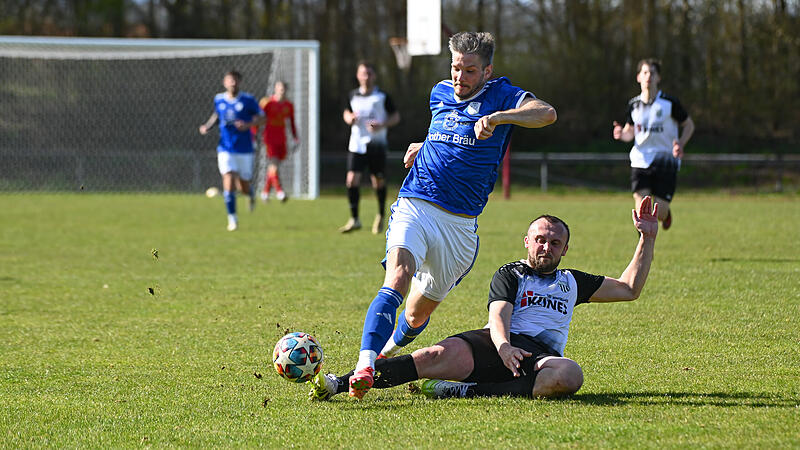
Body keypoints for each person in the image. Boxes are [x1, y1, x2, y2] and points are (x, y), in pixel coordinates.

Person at [346, 31, 558, 399]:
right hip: (417, 202)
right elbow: (444, 130)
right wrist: (423, 144)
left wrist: (499, 117)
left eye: (470, 71)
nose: (460, 77)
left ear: (488, 71)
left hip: (459, 227)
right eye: (456, 68)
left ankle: (387, 352)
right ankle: (366, 363)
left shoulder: (503, 95)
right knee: (397, 276)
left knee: (415, 314)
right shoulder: (440, 91)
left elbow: (547, 113)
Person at [310, 197, 659, 400]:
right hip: (492, 344)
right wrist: (504, 346)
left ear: (565, 249)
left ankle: (463, 391)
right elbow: (498, 314)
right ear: (527, 241)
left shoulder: (572, 282)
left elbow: (629, 289)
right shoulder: (511, 273)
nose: (545, 247)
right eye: (540, 239)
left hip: (536, 358)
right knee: (429, 355)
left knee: (569, 375)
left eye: (554, 243)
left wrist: (647, 238)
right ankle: (339, 383)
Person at [612, 58, 695, 230]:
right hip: (640, 159)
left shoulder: (669, 103)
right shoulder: (633, 105)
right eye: (645, 72)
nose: (648, 76)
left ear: (658, 78)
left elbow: (689, 125)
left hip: (666, 160)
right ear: (638, 77)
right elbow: (630, 133)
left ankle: (666, 214)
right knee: (641, 207)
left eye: (652, 73)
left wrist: (681, 143)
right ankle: (643, 249)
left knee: (659, 211)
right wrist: (621, 134)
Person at [199, 70, 265, 231]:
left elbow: (263, 118)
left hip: (244, 149)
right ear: (225, 82)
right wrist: (208, 126)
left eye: (235, 80)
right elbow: (217, 115)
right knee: (228, 180)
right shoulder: (219, 99)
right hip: (225, 148)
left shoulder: (248, 100)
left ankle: (250, 194)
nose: (232, 83)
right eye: (230, 80)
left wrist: (248, 125)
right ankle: (232, 220)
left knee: (243, 186)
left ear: (239, 82)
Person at [339, 61, 401, 234]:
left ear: (374, 76)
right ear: (358, 76)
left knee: (378, 180)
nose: (366, 77)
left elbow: (395, 116)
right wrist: (349, 118)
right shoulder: (352, 95)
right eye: (363, 73)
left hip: (376, 145)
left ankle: (381, 215)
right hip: (357, 144)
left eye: (369, 73)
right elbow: (346, 112)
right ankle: (355, 219)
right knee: (351, 180)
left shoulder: (382, 96)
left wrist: (382, 124)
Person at [258, 80, 298, 203]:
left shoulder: (289, 105)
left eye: (283, 88)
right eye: (279, 87)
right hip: (270, 138)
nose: (281, 90)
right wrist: (254, 135)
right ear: (275, 88)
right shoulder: (267, 103)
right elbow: (258, 119)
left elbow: (291, 122)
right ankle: (280, 192)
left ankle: (265, 193)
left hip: (282, 138)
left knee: (273, 167)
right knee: (274, 165)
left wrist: (295, 137)